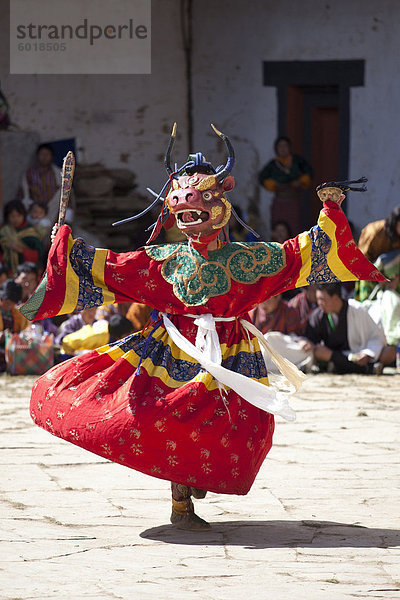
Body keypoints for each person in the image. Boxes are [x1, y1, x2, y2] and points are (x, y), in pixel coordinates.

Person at [21, 126, 385, 531]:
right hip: (174, 348)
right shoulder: (163, 259)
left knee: (239, 427)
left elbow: (303, 253)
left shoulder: (250, 259)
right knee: (171, 415)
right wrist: (67, 248)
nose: (189, 216)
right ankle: (181, 503)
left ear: (221, 206)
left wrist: (331, 210)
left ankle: (195, 479)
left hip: (232, 354)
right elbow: (113, 270)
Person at [304, 283, 395, 374]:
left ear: (335, 298)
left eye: (322, 299)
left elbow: (377, 336)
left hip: (359, 354)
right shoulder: (317, 316)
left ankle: (365, 367)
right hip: (333, 356)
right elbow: (311, 340)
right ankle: (368, 369)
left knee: (389, 351)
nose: (319, 303)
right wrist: (308, 343)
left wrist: (367, 354)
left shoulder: (356, 309)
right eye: (318, 299)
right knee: (319, 352)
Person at [258, 136, 312, 235]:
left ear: (289, 147)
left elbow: (309, 173)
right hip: (279, 202)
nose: (283, 149)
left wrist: (300, 181)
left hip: (293, 201)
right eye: (280, 146)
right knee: (278, 228)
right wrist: (273, 185)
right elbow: (262, 178)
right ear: (276, 149)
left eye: (285, 146)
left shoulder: (297, 161)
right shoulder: (273, 165)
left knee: (294, 227)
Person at [0, 200, 43, 273]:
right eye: (12, 216)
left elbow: (39, 255)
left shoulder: (31, 233)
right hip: (7, 272)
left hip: (27, 272)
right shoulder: (4, 231)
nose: (15, 219)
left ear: (24, 215)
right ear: (7, 217)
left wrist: (21, 250)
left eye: (18, 215)